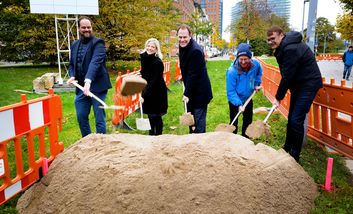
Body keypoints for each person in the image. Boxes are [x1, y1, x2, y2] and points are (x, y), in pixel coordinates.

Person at [267, 26, 323, 162]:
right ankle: (287, 147)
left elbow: (287, 76)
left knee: (296, 120)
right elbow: (288, 74)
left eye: (273, 38)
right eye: (268, 40)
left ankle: (294, 156)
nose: (270, 42)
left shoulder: (290, 48)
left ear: (281, 35)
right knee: (291, 117)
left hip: (308, 84)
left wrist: (278, 97)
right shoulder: (284, 47)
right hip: (299, 85)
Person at [67, 16, 112, 137]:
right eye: (84, 27)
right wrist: (72, 76)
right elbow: (72, 64)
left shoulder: (98, 43)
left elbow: (95, 62)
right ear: (79, 28)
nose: (87, 30)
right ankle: (87, 142)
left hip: (97, 87)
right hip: (81, 88)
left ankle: (102, 143)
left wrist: (88, 81)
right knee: (81, 116)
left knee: (99, 118)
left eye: (89, 27)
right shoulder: (74, 44)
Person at [177, 24, 213, 133]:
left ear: (190, 36)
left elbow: (194, 74)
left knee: (198, 124)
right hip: (191, 89)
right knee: (191, 122)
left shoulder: (195, 51)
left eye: (185, 37)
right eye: (180, 37)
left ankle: (200, 145)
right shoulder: (183, 46)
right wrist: (183, 77)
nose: (182, 40)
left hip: (200, 93)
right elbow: (187, 67)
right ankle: (192, 143)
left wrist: (186, 94)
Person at [226, 43, 262, 137]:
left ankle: (245, 139)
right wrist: (238, 104)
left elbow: (259, 72)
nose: (243, 62)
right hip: (235, 100)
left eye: (245, 59)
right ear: (237, 58)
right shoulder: (232, 71)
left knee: (248, 120)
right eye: (240, 59)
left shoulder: (255, 65)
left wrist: (257, 84)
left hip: (248, 98)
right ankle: (232, 139)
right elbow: (231, 92)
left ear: (250, 58)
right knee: (234, 121)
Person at [140, 38, 168, 135]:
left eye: (153, 47)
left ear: (156, 49)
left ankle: (158, 135)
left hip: (157, 92)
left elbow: (153, 81)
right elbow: (144, 74)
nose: (150, 48)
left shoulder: (157, 62)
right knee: (150, 115)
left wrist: (143, 95)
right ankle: (151, 134)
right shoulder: (144, 58)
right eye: (148, 46)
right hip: (147, 89)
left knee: (155, 115)